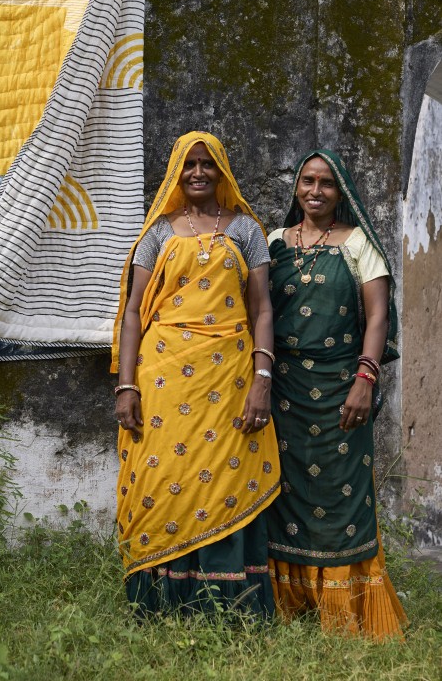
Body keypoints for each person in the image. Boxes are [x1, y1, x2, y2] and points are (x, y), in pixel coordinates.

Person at [111, 131, 280, 617]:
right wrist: (126, 385)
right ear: (176, 173)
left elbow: (262, 310)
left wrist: (262, 379)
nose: (199, 172)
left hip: (229, 379)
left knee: (224, 479)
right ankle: (161, 602)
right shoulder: (158, 233)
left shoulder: (246, 230)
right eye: (190, 164)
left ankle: (229, 602)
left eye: (208, 164)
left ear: (221, 171)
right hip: (164, 378)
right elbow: (133, 313)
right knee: (163, 477)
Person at [266, 149, 407, 639]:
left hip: (341, 391)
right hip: (283, 393)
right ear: (296, 186)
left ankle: (346, 611)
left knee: (342, 496)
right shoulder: (275, 242)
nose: (315, 191)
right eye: (307, 180)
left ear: (340, 190)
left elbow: (378, 316)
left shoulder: (359, 243)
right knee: (284, 497)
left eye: (326, 182)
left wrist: (365, 379)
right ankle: (291, 604)